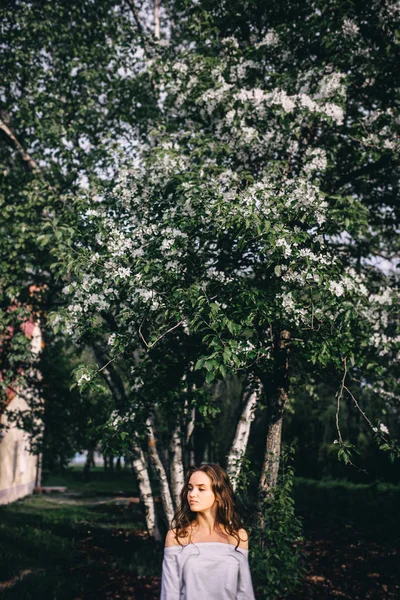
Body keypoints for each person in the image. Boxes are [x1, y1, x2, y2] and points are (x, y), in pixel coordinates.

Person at [160, 463, 255, 599]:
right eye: (190, 488)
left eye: (201, 489)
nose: (192, 494)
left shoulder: (238, 536)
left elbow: (244, 593)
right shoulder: (177, 537)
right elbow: (169, 594)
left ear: (218, 494)